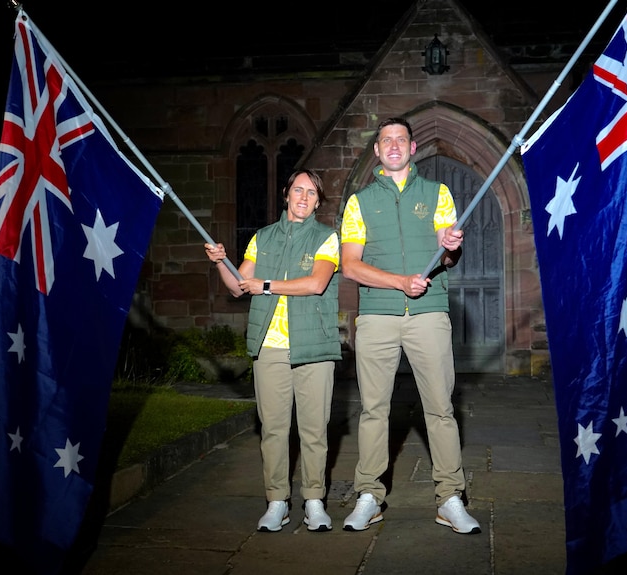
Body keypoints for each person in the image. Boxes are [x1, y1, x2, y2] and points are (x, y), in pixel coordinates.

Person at [339, 117, 481, 534]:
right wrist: (399, 282)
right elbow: (350, 266)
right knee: (373, 410)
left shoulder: (437, 194)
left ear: (413, 148)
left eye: (401, 139)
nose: (394, 145)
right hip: (378, 316)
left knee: (440, 408)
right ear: (378, 152)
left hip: (429, 314)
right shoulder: (359, 202)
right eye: (386, 140)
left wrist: (451, 248)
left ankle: (451, 498)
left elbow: (447, 255)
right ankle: (369, 495)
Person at [205, 169, 341, 532]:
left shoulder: (327, 237)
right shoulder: (262, 238)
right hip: (269, 347)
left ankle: (314, 501)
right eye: (298, 190)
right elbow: (237, 287)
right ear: (286, 194)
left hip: (313, 346)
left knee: (314, 429)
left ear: (317, 201)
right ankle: (277, 501)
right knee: (274, 429)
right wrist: (220, 261)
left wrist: (264, 285)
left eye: (311, 194)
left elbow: (315, 284)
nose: (303, 198)